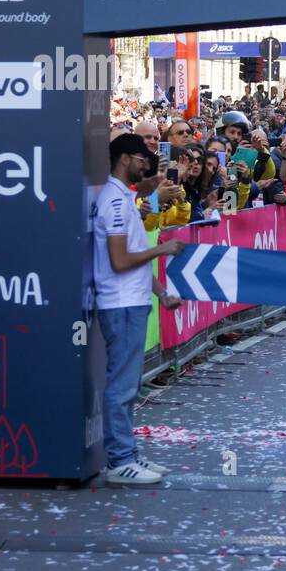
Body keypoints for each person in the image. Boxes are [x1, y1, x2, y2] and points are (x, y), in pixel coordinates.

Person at [94, 135, 187, 486]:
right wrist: (162, 252)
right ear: (124, 160)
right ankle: (120, 459)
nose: (145, 165)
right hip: (120, 303)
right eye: (141, 159)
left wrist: (161, 294)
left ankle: (127, 453)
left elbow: (130, 258)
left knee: (129, 383)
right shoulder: (115, 203)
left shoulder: (123, 199)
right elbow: (120, 261)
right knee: (121, 385)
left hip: (131, 300)